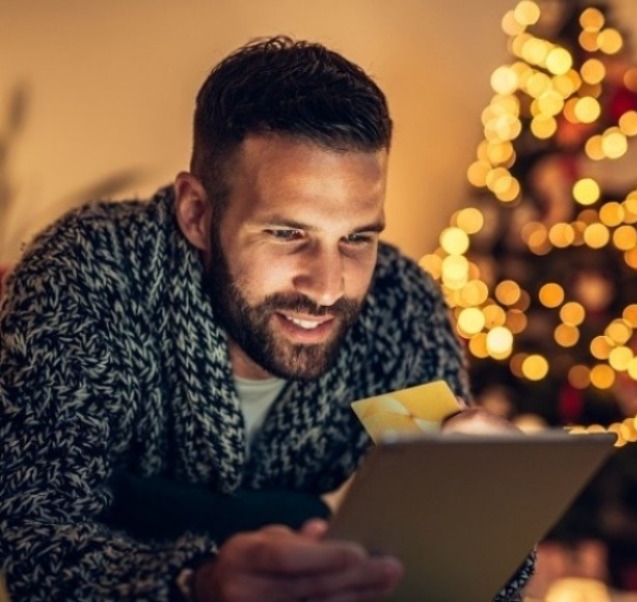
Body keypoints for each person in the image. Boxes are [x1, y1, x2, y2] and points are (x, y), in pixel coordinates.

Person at [0, 36, 534, 601]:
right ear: (197, 213)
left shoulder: (400, 304)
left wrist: (488, 515)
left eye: (356, 237)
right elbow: (36, 543)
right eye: (287, 233)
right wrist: (196, 584)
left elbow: (450, 560)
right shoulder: (88, 275)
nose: (329, 289)